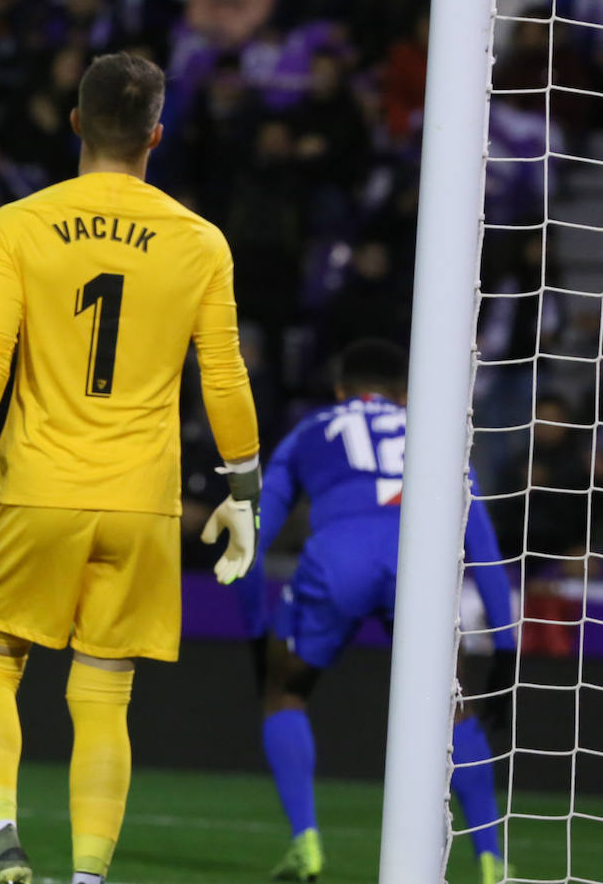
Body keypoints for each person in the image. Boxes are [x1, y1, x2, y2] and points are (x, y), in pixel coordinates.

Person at [0, 52, 262, 884]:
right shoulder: (200, 240)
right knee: (106, 695)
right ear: (158, 133)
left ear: (76, 123)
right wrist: (242, 492)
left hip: (40, 485)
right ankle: (88, 875)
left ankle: (2, 839)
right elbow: (223, 374)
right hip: (142, 502)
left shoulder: (20, 223)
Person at [233, 339, 515, 883]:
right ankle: (490, 858)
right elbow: (483, 545)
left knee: (285, 690)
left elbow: (254, 541)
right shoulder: (437, 432)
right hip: (419, 563)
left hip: (339, 559)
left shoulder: (311, 430)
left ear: (340, 390)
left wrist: (254, 632)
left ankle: (306, 845)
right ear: (406, 395)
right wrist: (505, 647)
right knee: (450, 705)